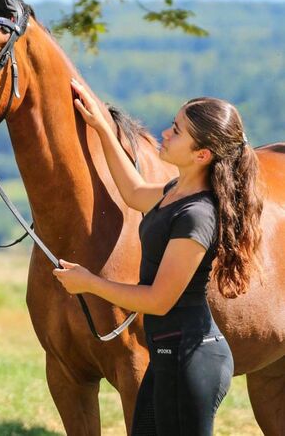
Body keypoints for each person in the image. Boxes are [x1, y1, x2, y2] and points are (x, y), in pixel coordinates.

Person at [53, 77, 264, 436]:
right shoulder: (174, 194)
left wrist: (89, 283)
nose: (165, 133)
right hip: (167, 357)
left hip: (191, 362)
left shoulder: (197, 214)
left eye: (177, 131)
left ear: (202, 155)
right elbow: (134, 192)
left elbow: (158, 300)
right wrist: (104, 127)